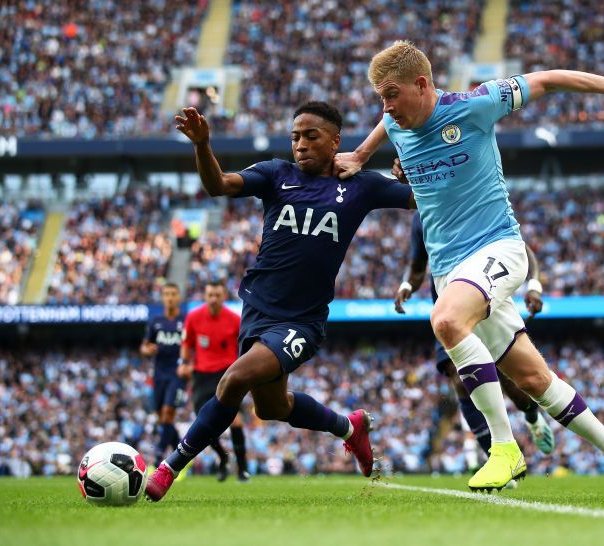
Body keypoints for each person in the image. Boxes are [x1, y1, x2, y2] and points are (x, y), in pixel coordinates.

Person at [335, 40, 604, 499]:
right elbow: (385, 124)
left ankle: (505, 447)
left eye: (391, 93)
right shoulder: (396, 120)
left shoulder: (475, 106)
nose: (386, 106)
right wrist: (357, 155)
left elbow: (550, 78)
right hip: (449, 268)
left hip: (498, 247)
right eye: (380, 98)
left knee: (447, 321)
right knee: (534, 380)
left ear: (423, 84)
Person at [145, 101, 416, 501]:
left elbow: (421, 198)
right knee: (271, 408)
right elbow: (218, 184)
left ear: (335, 141)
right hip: (257, 311)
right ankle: (349, 427)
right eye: (295, 137)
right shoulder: (276, 174)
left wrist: (413, 170)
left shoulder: (361, 186)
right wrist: (203, 145)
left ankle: (169, 467)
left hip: (302, 320)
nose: (300, 145)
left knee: (234, 379)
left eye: (311, 136)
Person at [396, 207, 554, 459]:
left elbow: (520, 249)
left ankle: (532, 416)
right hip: (449, 311)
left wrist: (533, 285)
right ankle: (496, 454)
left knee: (511, 384)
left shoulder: (472, 202)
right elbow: (416, 267)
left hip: (484, 305)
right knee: (460, 380)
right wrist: (406, 285)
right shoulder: (421, 218)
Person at [178, 280, 248, 482]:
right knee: (205, 422)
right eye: (210, 295)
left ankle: (242, 469)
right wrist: (184, 363)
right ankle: (223, 457)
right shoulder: (194, 317)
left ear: (224, 296)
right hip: (201, 375)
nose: (214, 299)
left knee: (236, 421)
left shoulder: (235, 319)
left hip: (227, 374)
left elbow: (244, 346)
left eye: (217, 295)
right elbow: (187, 343)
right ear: (205, 296)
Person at [140, 283, 186, 470]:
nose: (169, 298)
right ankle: (182, 455)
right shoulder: (155, 321)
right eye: (166, 294)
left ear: (178, 297)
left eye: (173, 294)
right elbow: (144, 346)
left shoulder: (186, 321)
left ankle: (158, 460)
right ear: (162, 297)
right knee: (163, 418)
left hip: (178, 374)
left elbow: (191, 345)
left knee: (168, 413)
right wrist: (147, 349)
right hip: (159, 375)